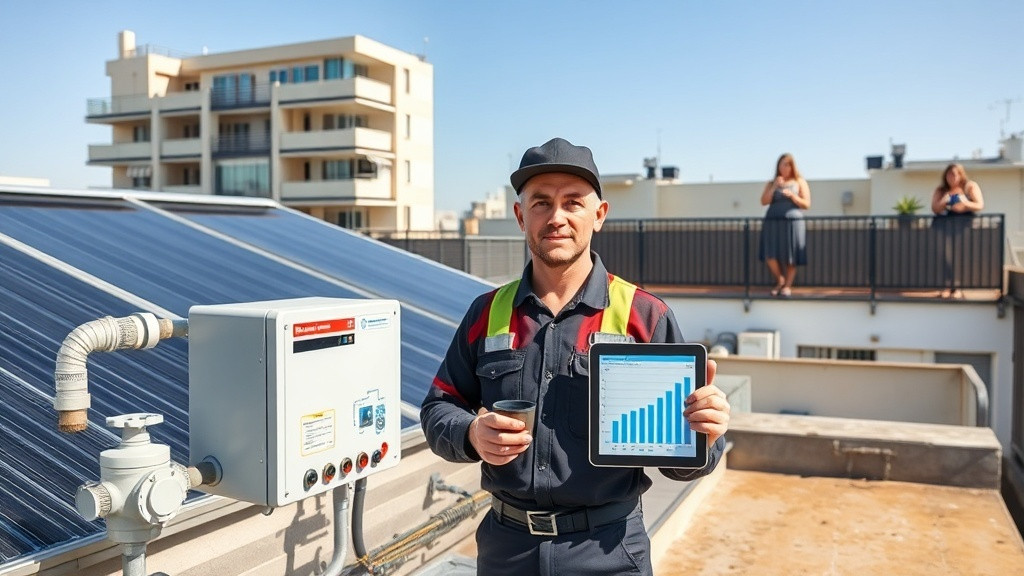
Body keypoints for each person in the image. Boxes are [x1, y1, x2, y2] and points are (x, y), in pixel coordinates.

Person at [419, 137, 731, 576]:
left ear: (599, 215)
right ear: (519, 215)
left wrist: (706, 432)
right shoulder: (486, 313)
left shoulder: (645, 316)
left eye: (573, 202)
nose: (557, 217)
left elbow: (681, 461)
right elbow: (438, 408)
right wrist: (471, 433)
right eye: (541, 203)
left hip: (609, 552)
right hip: (507, 552)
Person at [758, 153, 811, 297]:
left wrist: (792, 196)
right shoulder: (772, 183)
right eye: (782, 164)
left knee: (791, 254)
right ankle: (780, 280)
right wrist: (775, 186)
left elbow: (807, 204)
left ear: (792, 166)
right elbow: (763, 201)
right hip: (772, 222)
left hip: (792, 223)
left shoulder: (799, 181)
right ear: (778, 166)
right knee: (770, 254)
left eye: (788, 164)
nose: (785, 167)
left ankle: (787, 285)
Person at [930, 163, 984, 299]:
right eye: (949, 174)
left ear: (961, 174)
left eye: (955, 174)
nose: (952, 177)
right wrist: (945, 201)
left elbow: (980, 205)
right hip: (944, 228)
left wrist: (964, 202)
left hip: (964, 228)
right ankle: (947, 287)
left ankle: (958, 288)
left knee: (960, 257)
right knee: (945, 256)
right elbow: (935, 209)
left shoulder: (970, 186)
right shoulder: (941, 190)